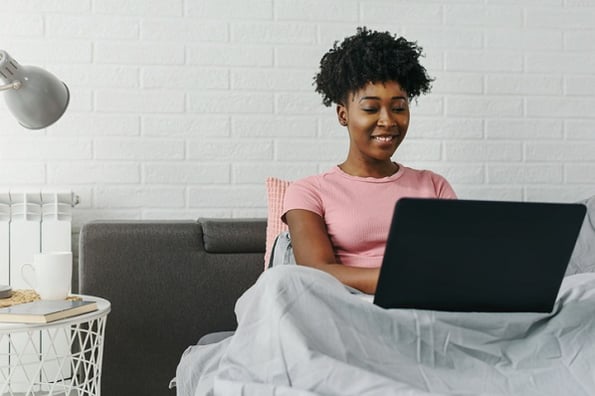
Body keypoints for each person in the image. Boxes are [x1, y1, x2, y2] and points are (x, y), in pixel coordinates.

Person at [282, 27, 457, 295]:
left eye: (398, 108)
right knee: (278, 285)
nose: (388, 121)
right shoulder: (308, 191)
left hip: (420, 308)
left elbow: (456, 264)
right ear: (343, 115)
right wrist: (401, 279)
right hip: (343, 310)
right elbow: (316, 272)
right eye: (371, 109)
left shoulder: (434, 186)